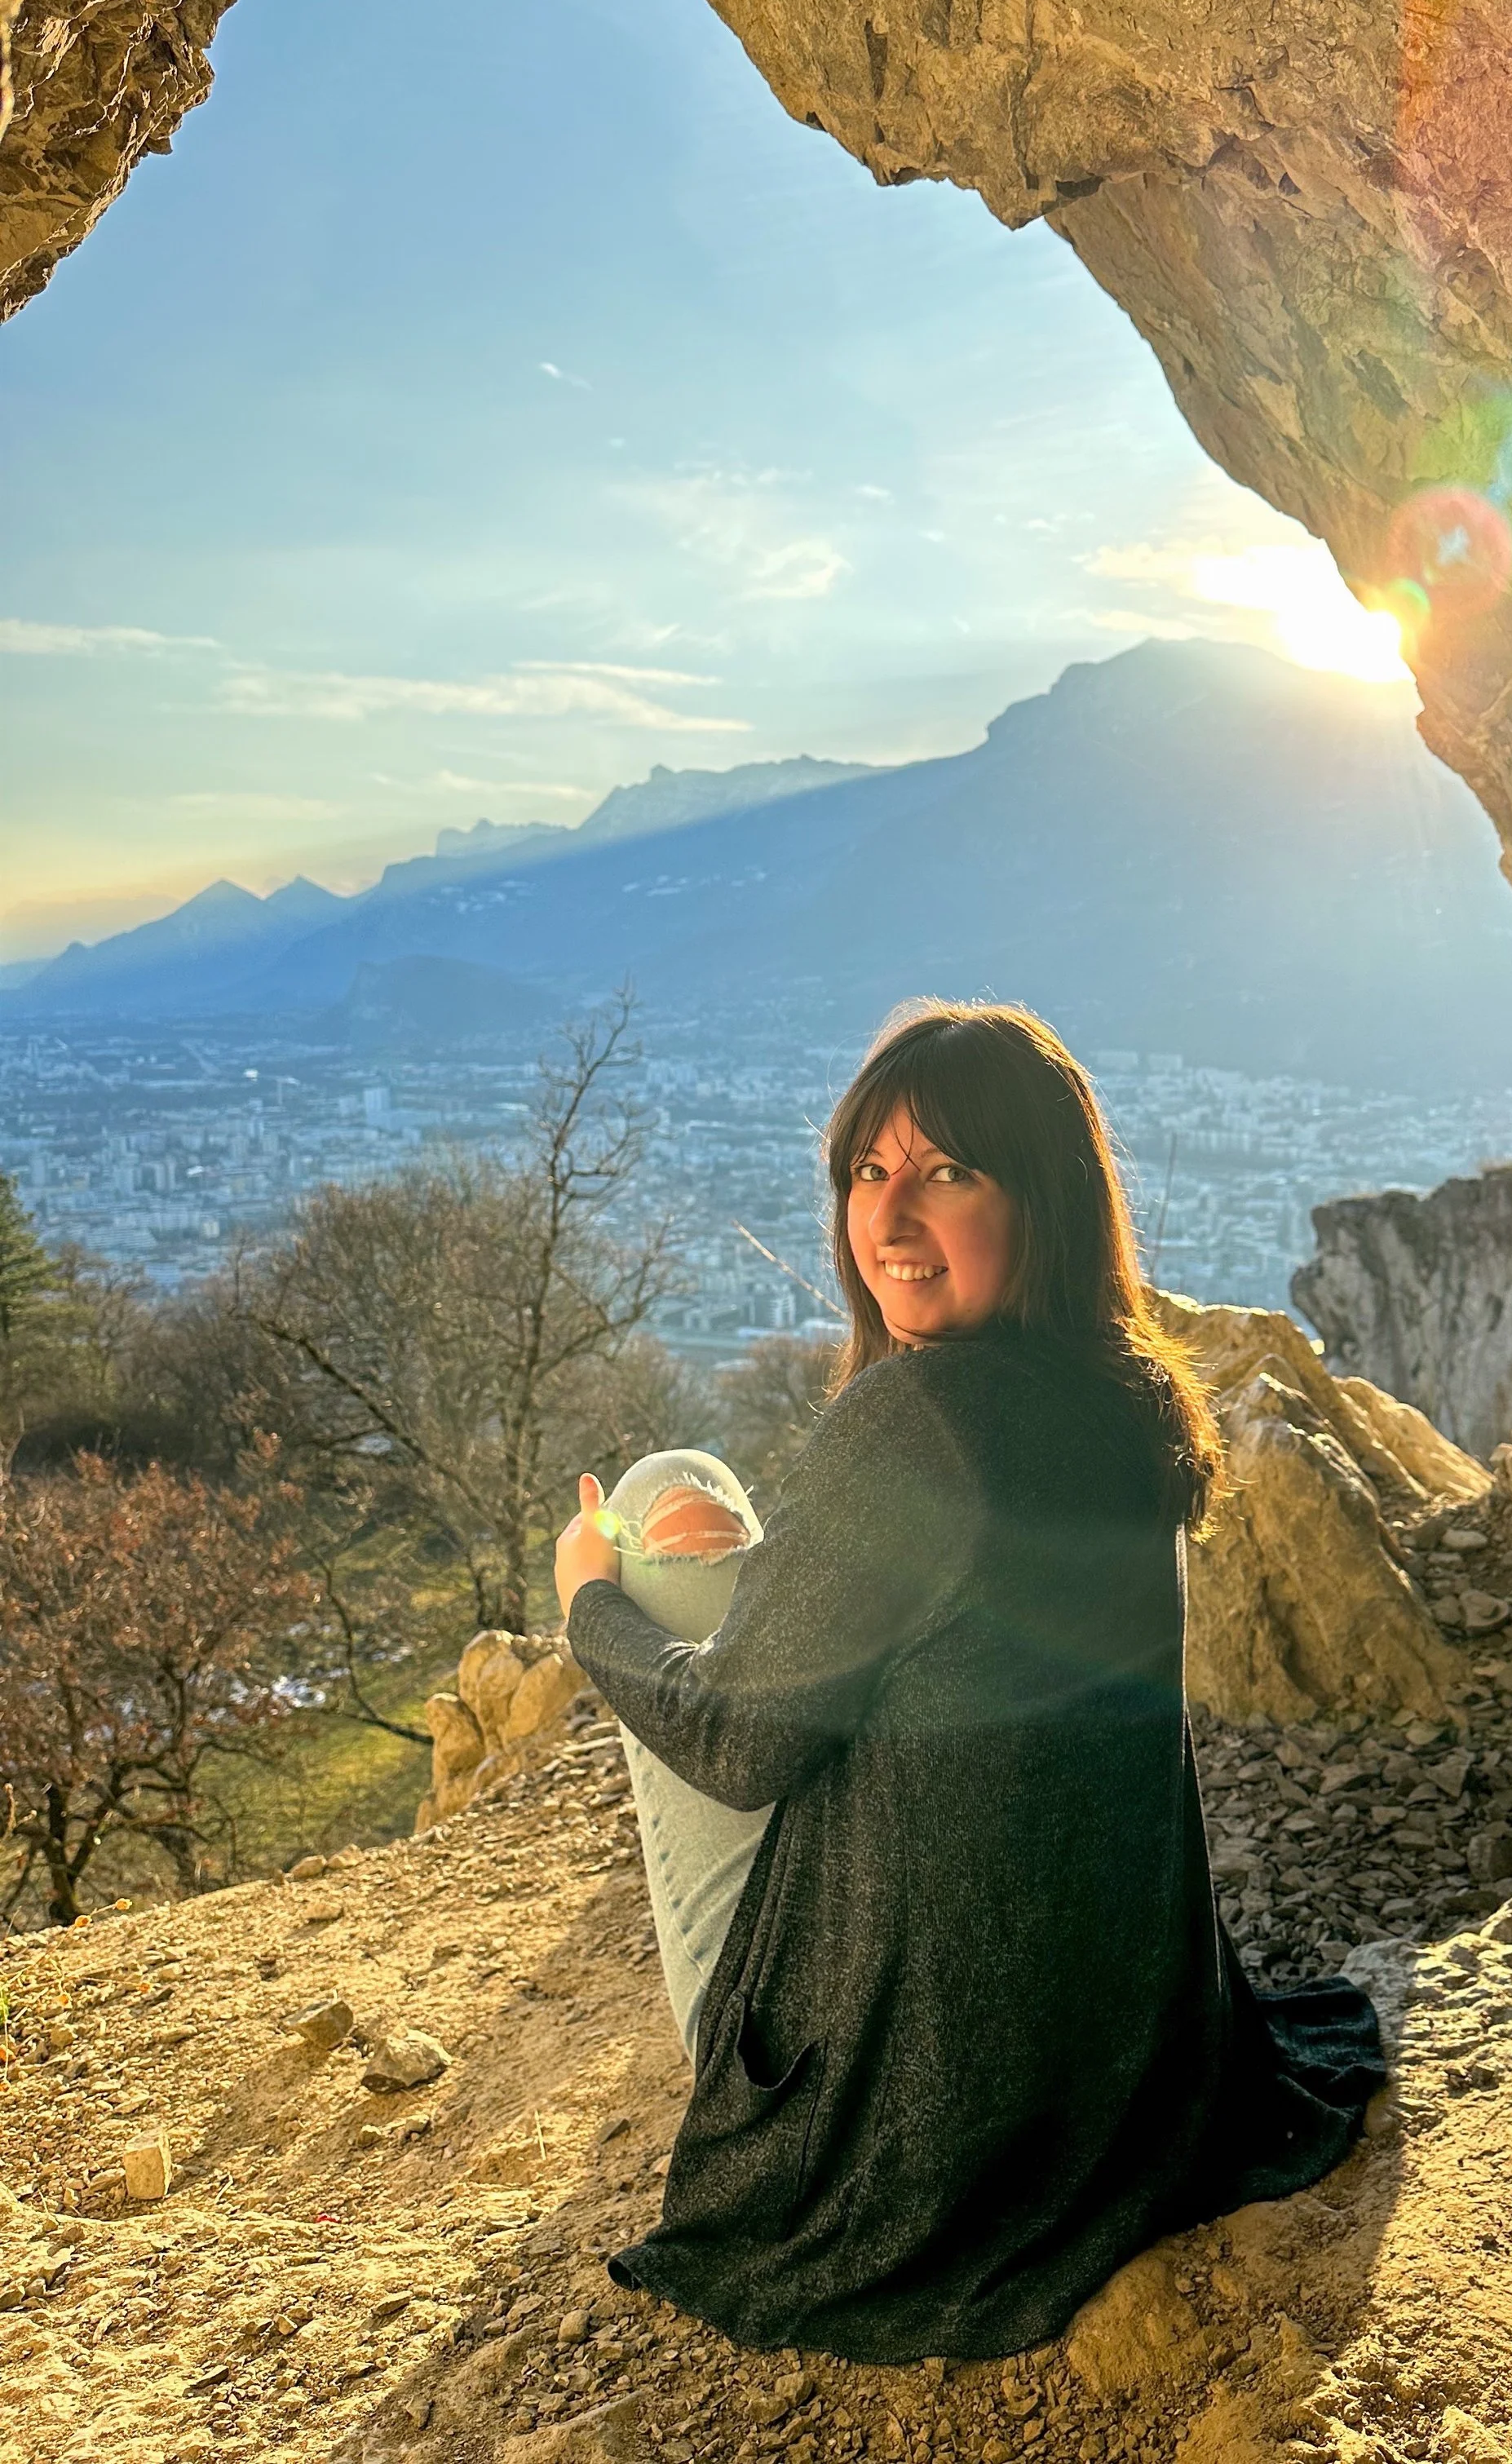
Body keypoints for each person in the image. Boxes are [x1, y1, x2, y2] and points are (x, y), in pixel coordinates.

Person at [553, 1000, 1386, 2362]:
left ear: (1041, 1197)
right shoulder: (1133, 1395)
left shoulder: (913, 1421)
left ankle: (634, 1549)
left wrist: (589, 1598)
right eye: (869, 1175)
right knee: (749, 1552)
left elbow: (734, 1746)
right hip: (1128, 2063)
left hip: (899, 2119)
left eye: (947, 1173)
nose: (889, 1219)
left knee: (666, 1492)